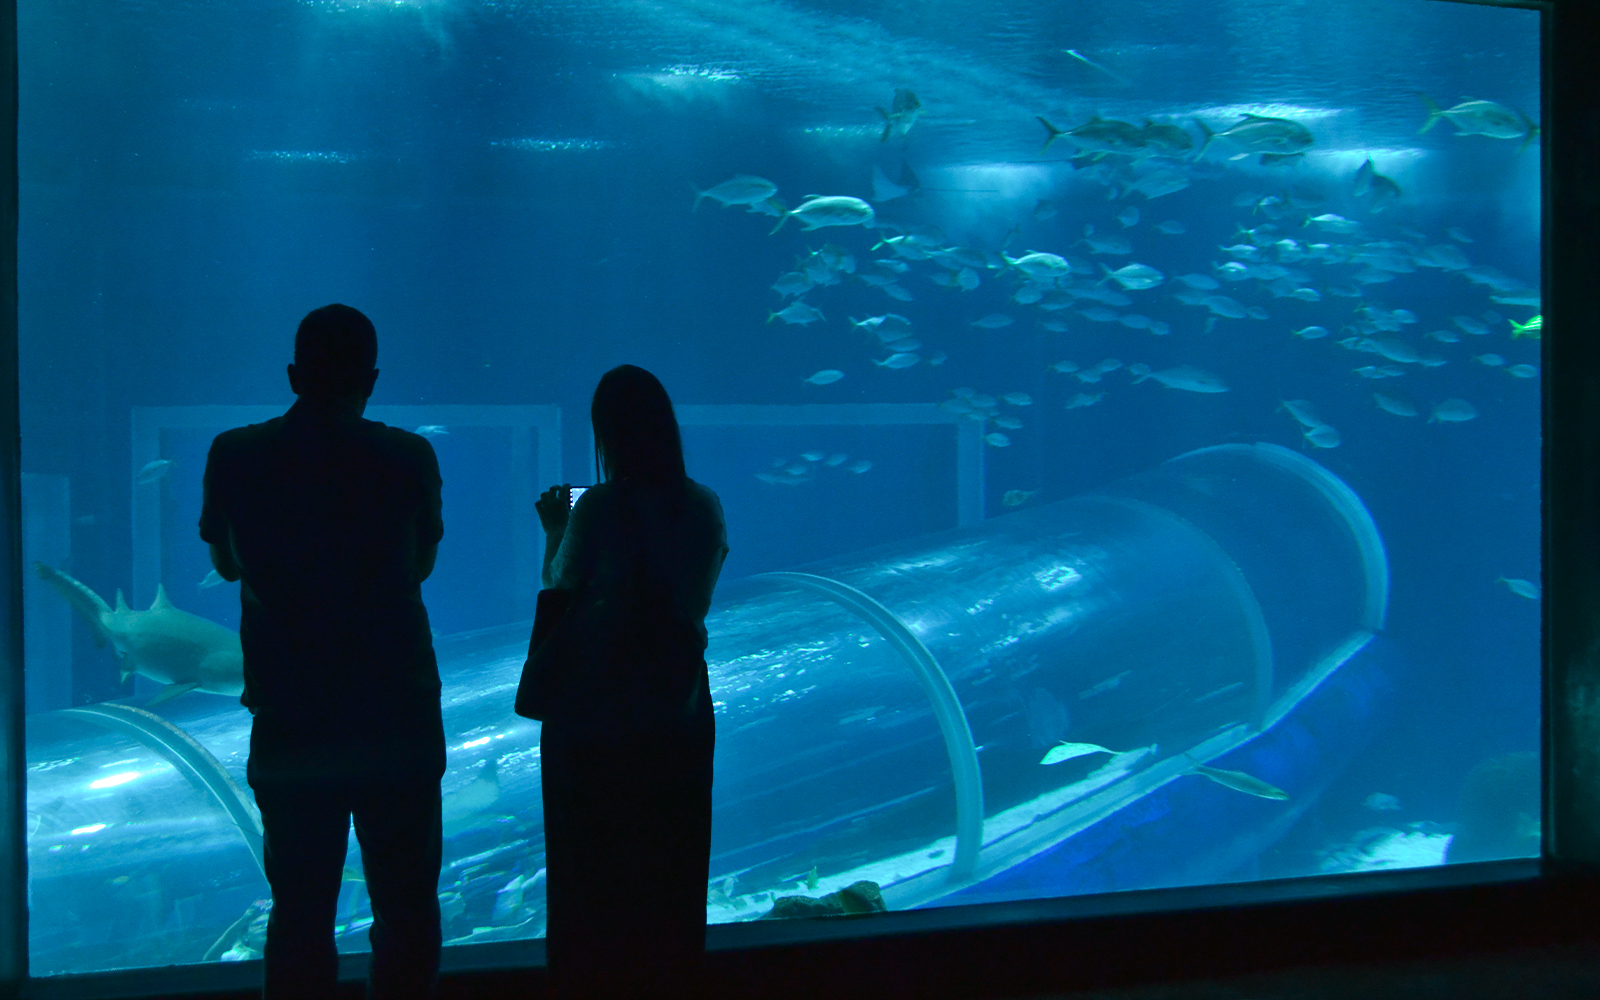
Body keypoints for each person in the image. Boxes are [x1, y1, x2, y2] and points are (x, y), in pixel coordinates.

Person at [199, 304, 447, 1000]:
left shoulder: (236, 453)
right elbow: (418, 566)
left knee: (301, 915)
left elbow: (225, 564)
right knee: (407, 911)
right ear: (370, 378)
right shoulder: (407, 456)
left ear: (292, 375)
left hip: (293, 716)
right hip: (395, 715)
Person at [534, 364, 729, 998]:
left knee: (590, 871)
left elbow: (561, 585)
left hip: (597, 713)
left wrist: (555, 526)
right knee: (672, 865)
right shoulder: (704, 504)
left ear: (607, 434)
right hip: (679, 705)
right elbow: (693, 600)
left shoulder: (599, 506)